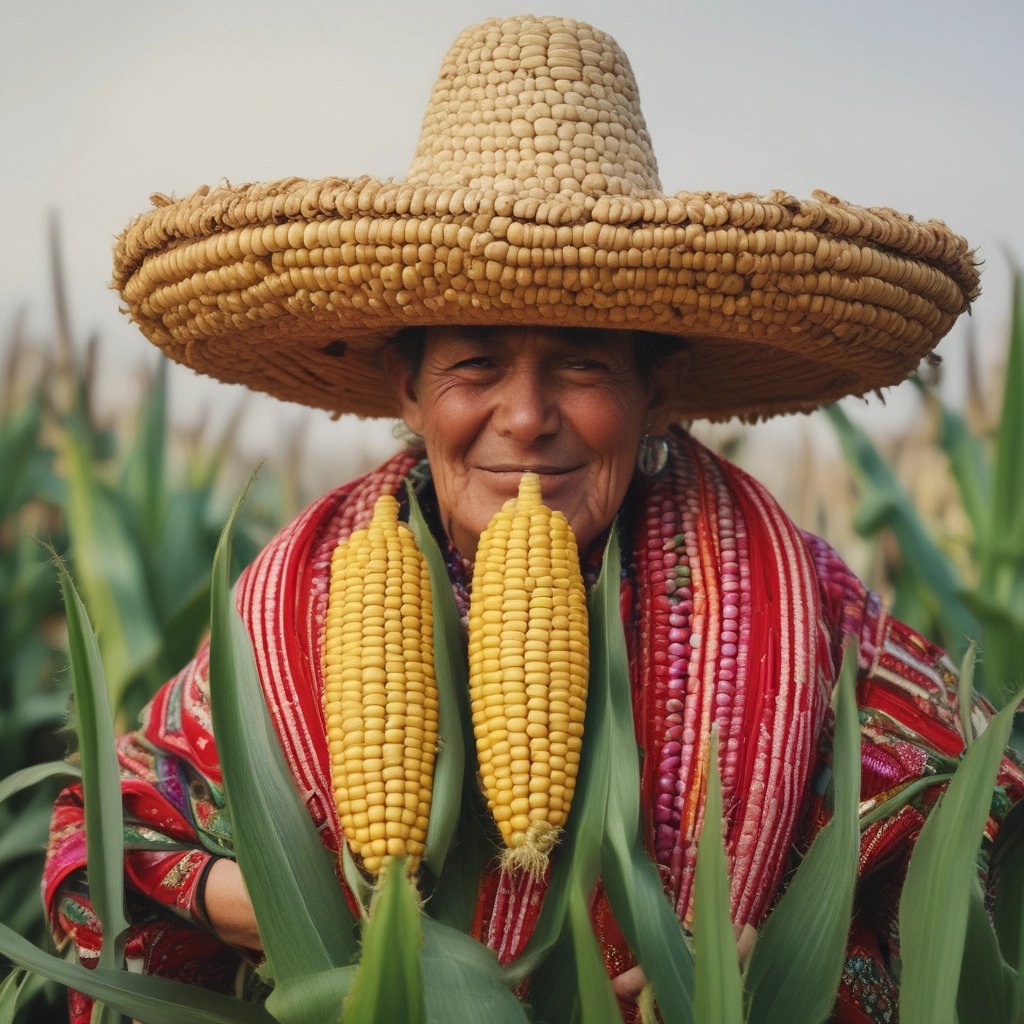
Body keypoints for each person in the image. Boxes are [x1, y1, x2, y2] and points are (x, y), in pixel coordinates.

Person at [44, 14, 1023, 1024]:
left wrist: (787, 968)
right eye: (473, 363)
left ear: (660, 390)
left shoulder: (806, 607)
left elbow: (975, 837)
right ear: (407, 390)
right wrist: (256, 904)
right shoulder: (286, 610)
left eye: (583, 363)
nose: (524, 415)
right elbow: (104, 838)